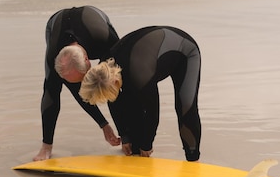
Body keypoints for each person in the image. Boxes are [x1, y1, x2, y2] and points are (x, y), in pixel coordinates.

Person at [79, 26, 202, 161]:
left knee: (185, 107)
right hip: (146, 55)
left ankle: (193, 157)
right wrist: (125, 137)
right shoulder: (103, 68)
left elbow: (152, 113)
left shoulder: (139, 75)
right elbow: (114, 102)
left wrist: (147, 145)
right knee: (130, 106)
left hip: (185, 52)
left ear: (114, 82)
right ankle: (136, 149)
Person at [34, 6, 122, 161]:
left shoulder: (103, 40)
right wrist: (104, 124)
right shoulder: (54, 56)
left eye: (83, 79)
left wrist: (126, 136)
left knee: (113, 81)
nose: (82, 85)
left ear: (88, 61)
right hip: (56, 22)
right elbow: (66, 94)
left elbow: (120, 86)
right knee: (51, 88)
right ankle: (46, 146)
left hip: (93, 20)